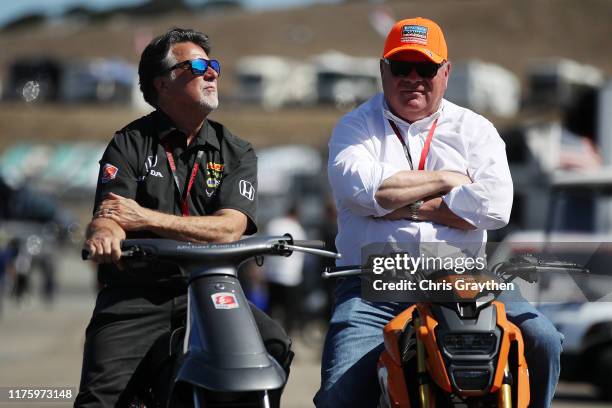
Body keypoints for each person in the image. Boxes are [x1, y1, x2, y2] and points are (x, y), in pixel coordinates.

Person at [315, 17, 563, 408]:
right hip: (376, 278)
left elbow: (496, 207)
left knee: (545, 340)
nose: (413, 77)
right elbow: (366, 191)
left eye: (426, 67)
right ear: (383, 70)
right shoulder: (354, 127)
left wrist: (401, 203)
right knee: (338, 395)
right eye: (401, 66)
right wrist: (450, 179)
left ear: (445, 72)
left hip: (467, 278)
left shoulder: (476, 129)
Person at [75, 28, 292, 407]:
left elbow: (229, 228)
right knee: (100, 397)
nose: (212, 73)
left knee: (274, 347)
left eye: (214, 65)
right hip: (139, 294)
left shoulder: (237, 150)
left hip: (214, 289)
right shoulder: (128, 143)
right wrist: (105, 234)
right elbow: (110, 215)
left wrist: (144, 217)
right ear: (163, 83)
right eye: (198, 66)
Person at [264, 203, 307, 333]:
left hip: (272, 275)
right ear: (296, 215)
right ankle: (288, 338)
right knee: (290, 312)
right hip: (291, 277)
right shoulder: (298, 229)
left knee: (272, 310)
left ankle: (269, 336)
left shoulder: (274, 224)